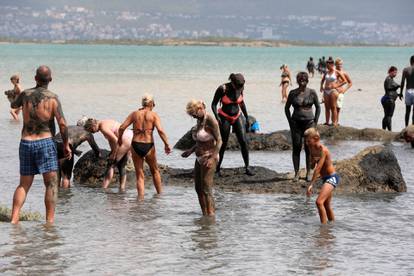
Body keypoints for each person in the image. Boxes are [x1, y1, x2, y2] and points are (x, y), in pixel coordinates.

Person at [10, 65, 71, 224]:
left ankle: (14, 219)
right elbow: (63, 125)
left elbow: (13, 105)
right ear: (50, 79)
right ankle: (49, 222)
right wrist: (66, 145)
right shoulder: (53, 98)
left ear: (35, 78)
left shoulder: (25, 94)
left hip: (26, 142)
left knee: (23, 185)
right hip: (45, 142)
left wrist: (15, 93)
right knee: (51, 184)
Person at [118, 94, 171, 199]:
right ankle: (159, 196)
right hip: (148, 145)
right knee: (155, 171)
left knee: (139, 174)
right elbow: (160, 131)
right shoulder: (153, 115)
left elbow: (122, 127)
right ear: (151, 104)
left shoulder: (134, 114)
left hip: (136, 144)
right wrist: (166, 144)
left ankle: (140, 200)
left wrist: (119, 139)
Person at [182, 100, 222, 216]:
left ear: (200, 109)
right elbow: (200, 141)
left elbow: (219, 141)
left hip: (209, 156)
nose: (193, 117)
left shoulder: (211, 120)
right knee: (198, 188)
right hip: (199, 157)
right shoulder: (200, 121)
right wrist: (190, 151)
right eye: (192, 115)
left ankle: (211, 215)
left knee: (206, 188)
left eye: (194, 114)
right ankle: (205, 215)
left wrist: (212, 158)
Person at [211, 73, 254, 176]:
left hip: (237, 115)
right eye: (238, 86)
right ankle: (217, 169)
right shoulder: (223, 89)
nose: (240, 88)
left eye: (241, 86)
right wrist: (217, 117)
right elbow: (213, 104)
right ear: (232, 83)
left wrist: (247, 117)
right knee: (224, 143)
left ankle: (247, 167)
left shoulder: (240, 87)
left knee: (243, 141)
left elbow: (242, 103)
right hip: (224, 116)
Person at [285, 72, 321, 182]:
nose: (302, 80)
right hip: (296, 123)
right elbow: (286, 108)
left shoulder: (312, 92)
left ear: (307, 80)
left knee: (308, 148)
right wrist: (290, 121)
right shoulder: (292, 93)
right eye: (300, 79)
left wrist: (315, 123)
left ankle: (308, 173)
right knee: (296, 147)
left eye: (304, 79)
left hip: (309, 123)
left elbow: (318, 107)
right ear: (297, 80)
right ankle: (296, 173)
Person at [84, 118, 132, 191]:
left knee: (111, 164)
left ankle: (104, 188)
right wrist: (113, 151)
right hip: (129, 137)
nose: (92, 133)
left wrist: (113, 154)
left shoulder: (103, 127)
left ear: (93, 125)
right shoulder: (105, 122)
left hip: (125, 140)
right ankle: (122, 188)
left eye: (91, 130)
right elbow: (111, 140)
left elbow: (116, 140)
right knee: (121, 165)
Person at [305, 128, 339, 224]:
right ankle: (332, 226)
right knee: (326, 204)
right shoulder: (311, 148)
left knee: (319, 202)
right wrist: (313, 161)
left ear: (316, 138)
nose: (307, 143)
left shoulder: (323, 150)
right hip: (325, 178)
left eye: (309, 141)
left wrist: (311, 184)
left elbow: (318, 168)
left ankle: (323, 230)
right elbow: (312, 166)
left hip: (332, 177)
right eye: (306, 141)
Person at [320, 58, 347, 126]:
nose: (327, 67)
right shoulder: (326, 72)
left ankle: (334, 122)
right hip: (326, 90)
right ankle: (327, 122)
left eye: (328, 65)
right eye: (326, 65)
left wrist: (336, 85)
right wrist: (321, 87)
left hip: (333, 91)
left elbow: (345, 81)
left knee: (333, 107)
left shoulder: (336, 72)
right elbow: (323, 80)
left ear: (332, 65)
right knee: (326, 107)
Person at [381, 66, 401, 131]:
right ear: (390, 72)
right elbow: (389, 87)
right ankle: (390, 131)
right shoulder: (388, 79)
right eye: (394, 72)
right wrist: (397, 86)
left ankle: (384, 129)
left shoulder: (390, 79)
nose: (395, 74)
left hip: (387, 99)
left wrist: (398, 94)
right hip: (389, 100)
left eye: (396, 73)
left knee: (386, 116)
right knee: (389, 116)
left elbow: (391, 90)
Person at [335, 58, 353, 123]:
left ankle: (336, 122)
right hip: (333, 92)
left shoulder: (344, 73)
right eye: (338, 64)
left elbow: (350, 83)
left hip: (340, 92)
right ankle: (333, 122)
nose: (340, 65)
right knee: (332, 108)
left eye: (341, 64)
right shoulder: (333, 72)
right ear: (335, 64)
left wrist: (344, 90)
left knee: (338, 109)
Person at [400, 55, 414, 126]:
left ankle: (406, 127)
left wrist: (400, 93)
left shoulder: (405, 69)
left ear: (410, 61)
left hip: (408, 91)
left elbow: (402, 82)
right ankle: (413, 127)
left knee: (407, 111)